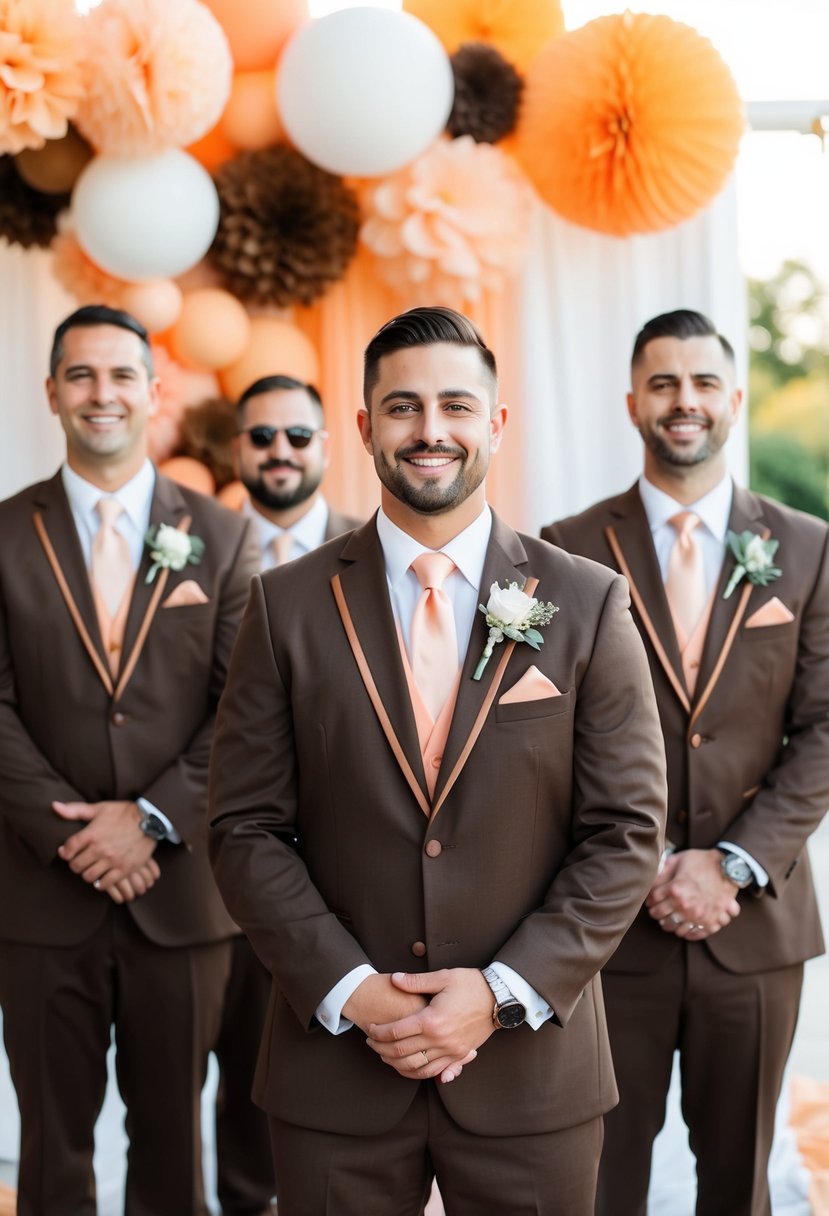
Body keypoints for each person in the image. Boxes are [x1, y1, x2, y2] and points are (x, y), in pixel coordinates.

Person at [207, 305, 667, 1216]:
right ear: (365, 426)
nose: (430, 431)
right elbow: (244, 828)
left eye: (456, 406)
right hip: (334, 1070)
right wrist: (354, 991)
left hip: (531, 1074)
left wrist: (498, 993)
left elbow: (624, 832)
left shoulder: (584, 601)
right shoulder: (283, 605)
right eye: (403, 407)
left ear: (494, 425)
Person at [542, 308, 829, 1216]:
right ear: (632, 402)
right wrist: (649, 863)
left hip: (754, 932)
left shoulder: (806, 547)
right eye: (662, 382)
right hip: (609, 931)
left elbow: (822, 728)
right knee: (598, 1174)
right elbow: (547, 738)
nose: (683, 401)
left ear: (733, 398)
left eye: (702, 382)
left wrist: (730, 865)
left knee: (737, 1181)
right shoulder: (567, 547)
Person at [0, 304, 259, 1215]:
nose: (100, 393)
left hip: (180, 897)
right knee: (51, 1144)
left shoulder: (223, 540)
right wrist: (70, 833)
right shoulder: (1, 534)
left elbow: (242, 710)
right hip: (38, 896)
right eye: (81, 375)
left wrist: (147, 820)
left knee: (172, 1147)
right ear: (51, 394)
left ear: (156, 393)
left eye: (120, 376)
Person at [211, 375, 362, 1216]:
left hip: (350, 872)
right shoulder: (199, 547)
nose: (279, 452)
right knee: (242, 1067)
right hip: (227, 866)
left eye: (297, 437)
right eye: (262, 437)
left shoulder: (371, 550)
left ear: (328, 446)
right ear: (237, 450)